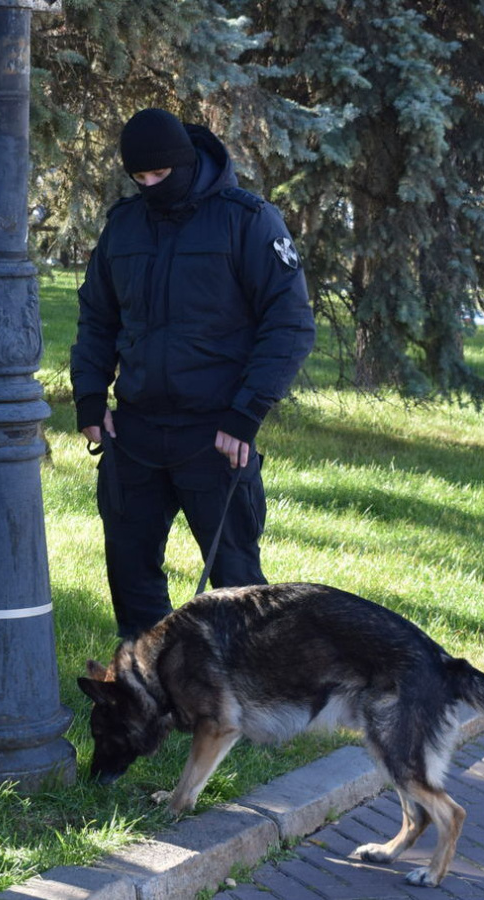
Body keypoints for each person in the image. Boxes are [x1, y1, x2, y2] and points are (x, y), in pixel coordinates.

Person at [70, 108, 315, 639]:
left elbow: (290, 324)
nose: (151, 186)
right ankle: (147, 697)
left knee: (238, 590)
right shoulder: (124, 225)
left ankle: (244, 710)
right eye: (139, 178)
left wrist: (245, 414)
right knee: (131, 580)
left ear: (184, 163)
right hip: (133, 434)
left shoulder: (248, 220)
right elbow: (97, 317)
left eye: (160, 176)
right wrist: (89, 398)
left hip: (216, 437)